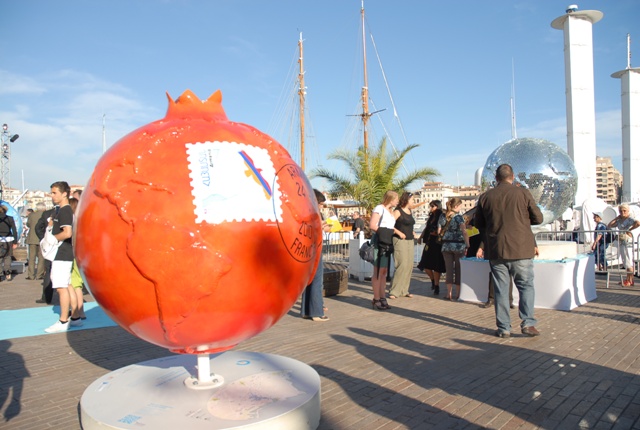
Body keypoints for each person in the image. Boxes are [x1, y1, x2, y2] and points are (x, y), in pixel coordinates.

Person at [475, 164, 543, 338]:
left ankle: (504, 327)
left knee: (501, 290)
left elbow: (478, 223)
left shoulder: (485, 197)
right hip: (521, 249)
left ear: (496, 178)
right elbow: (538, 218)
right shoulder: (523, 193)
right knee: (526, 287)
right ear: (512, 177)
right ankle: (528, 323)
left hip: (497, 250)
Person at [44, 181, 82, 333]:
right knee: (67, 285)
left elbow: (67, 232)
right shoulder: (63, 211)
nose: (52, 196)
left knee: (61, 288)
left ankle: (63, 320)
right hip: (64, 253)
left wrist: (53, 239)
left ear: (64, 193)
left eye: (54, 193)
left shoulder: (65, 211)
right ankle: (76, 318)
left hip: (62, 254)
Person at [300, 189, 332, 321]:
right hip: (315, 247)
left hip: (310, 247)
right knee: (317, 280)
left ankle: (307, 310)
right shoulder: (314, 213)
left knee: (310, 280)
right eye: (320, 203)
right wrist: (321, 227)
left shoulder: (305, 212)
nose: (321, 206)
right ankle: (317, 312)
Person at [370, 190, 400, 310]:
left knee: (383, 272)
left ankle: (382, 297)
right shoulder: (379, 208)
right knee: (378, 272)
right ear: (390, 199)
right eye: (396, 199)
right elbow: (372, 225)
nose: (397, 201)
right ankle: (376, 298)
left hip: (387, 242)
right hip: (380, 242)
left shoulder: (390, 211)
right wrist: (384, 233)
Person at [388, 192, 419, 299]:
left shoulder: (410, 211)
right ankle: (394, 291)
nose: (413, 202)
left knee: (409, 266)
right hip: (399, 240)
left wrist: (414, 233)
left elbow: (409, 225)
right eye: (412, 200)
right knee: (401, 265)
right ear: (406, 200)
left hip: (410, 240)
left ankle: (404, 290)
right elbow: (389, 224)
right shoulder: (398, 211)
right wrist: (399, 233)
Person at [438, 197, 469, 301]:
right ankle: (458, 293)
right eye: (460, 206)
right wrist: (467, 243)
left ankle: (448, 293)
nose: (461, 208)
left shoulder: (443, 216)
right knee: (459, 270)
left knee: (449, 270)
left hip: (446, 246)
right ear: (456, 206)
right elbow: (464, 232)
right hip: (458, 246)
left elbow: (439, 231)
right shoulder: (459, 217)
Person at [417, 200, 446, 295]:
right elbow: (427, 228)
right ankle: (433, 280)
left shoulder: (441, 216)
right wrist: (421, 236)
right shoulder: (431, 216)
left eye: (432, 206)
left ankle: (436, 285)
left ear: (437, 206)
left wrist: (437, 233)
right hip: (429, 242)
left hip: (437, 243)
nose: (431, 208)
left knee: (436, 265)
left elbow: (443, 228)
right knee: (425, 264)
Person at [607, 204, 640, 287]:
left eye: (624, 211)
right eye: (621, 211)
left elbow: (638, 223)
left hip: (627, 241)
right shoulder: (619, 220)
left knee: (628, 261)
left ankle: (630, 280)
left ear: (628, 211)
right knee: (625, 261)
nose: (623, 212)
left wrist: (629, 230)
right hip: (621, 241)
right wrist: (617, 218)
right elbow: (609, 225)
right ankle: (628, 279)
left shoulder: (629, 219)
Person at [67, 197, 86, 321]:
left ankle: (76, 311)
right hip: (80, 254)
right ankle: (81, 311)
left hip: (70, 254)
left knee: (72, 285)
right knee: (77, 285)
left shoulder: (70, 221)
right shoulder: (81, 220)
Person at [26, 203, 46, 281]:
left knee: (31, 258)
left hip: (32, 238)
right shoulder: (45, 215)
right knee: (41, 258)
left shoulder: (31, 215)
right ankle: (39, 275)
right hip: (42, 238)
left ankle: (31, 275)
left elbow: (28, 224)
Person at [0, 205, 18, 281]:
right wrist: (15, 242)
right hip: (9, 239)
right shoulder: (10, 218)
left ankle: (0, 274)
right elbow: (14, 230)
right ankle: (7, 273)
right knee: (8, 256)